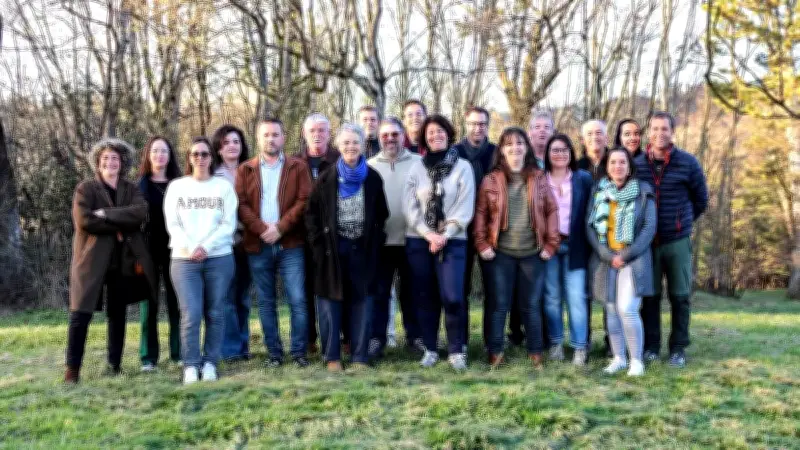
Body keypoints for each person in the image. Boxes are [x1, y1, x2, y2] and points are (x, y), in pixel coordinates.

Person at [65, 138, 157, 383]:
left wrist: (106, 214)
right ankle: (72, 370)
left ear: (122, 162)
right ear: (98, 162)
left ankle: (114, 364)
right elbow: (84, 221)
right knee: (80, 313)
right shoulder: (86, 189)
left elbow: (139, 214)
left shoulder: (130, 189)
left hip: (123, 261)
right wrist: (118, 226)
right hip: (91, 261)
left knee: (118, 314)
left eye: (115, 158)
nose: (110, 162)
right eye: (105, 158)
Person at [305, 123, 389, 371]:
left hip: (363, 251)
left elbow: (382, 214)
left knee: (362, 303)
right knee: (331, 304)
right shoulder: (326, 178)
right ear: (338, 146)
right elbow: (311, 216)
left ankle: (360, 357)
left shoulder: (372, 178)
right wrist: (319, 247)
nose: (351, 147)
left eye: (355, 142)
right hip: (332, 250)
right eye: (346, 143)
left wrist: (375, 242)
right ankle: (332, 357)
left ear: (363, 145)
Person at [473, 127, 559, 369]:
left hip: (533, 253)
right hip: (501, 253)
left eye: (519, 143)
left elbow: (551, 210)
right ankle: (496, 351)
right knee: (499, 305)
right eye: (509, 144)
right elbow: (480, 213)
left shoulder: (539, 177)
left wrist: (551, 245)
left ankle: (535, 352)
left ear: (526, 148)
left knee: (531, 306)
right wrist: (481, 243)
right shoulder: (491, 180)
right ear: (502, 149)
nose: (515, 148)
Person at [236, 118, 312, 367]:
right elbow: (241, 204)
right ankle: (274, 354)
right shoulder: (245, 169)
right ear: (258, 138)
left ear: (283, 137)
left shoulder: (297, 167)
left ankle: (299, 352)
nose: (271, 139)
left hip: (291, 243)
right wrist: (262, 229)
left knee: (297, 299)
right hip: (258, 244)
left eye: (275, 134)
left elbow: (304, 200)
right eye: (266, 135)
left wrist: (280, 227)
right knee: (266, 302)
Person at [635, 111, 708, 368]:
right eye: (654, 129)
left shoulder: (688, 163)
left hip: (677, 241)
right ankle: (651, 347)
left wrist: (682, 223)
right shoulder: (637, 164)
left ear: (672, 132)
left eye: (664, 129)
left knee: (680, 296)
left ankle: (678, 348)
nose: (659, 133)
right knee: (650, 297)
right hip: (647, 243)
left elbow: (701, 200)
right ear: (648, 132)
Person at [403, 114, 475, 370]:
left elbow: (465, 208)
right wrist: (428, 234)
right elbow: (409, 207)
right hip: (420, 241)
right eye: (430, 132)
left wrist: (444, 236)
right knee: (425, 297)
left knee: (453, 296)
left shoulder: (463, 166)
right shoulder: (416, 167)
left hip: (454, 241)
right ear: (424, 138)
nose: (436, 135)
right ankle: (431, 349)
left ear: (449, 133)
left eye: (440, 131)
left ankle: (456, 350)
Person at [164, 137, 238, 384]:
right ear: (189, 157)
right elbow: (173, 223)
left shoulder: (223, 188)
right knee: (191, 313)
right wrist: (191, 247)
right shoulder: (177, 187)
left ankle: (210, 363)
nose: (200, 158)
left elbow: (229, 225)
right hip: (184, 260)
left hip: (219, 258)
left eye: (204, 154)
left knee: (215, 312)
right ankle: (191, 365)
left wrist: (205, 246)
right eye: (195, 154)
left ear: (211, 157)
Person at [586, 147, 656, 376]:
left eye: (622, 162)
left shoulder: (643, 191)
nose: (617, 166)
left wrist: (624, 255)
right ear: (607, 166)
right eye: (613, 162)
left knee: (627, 308)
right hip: (606, 260)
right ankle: (619, 358)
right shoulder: (599, 191)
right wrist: (607, 255)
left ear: (629, 167)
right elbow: (590, 227)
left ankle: (637, 360)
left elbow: (648, 228)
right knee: (611, 310)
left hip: (633, 259)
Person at [367, 117, 423, 359]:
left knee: (412, 293)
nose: (390, 139)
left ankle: (416, 337)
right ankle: (376, 339)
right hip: (381, 243)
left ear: (404, 136)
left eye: (395, 134)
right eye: (385, 134)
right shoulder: (368, 166)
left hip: (412, 239)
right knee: (379, 293)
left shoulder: (419, 163)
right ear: (379, 138)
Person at [542, 134, 594, 366]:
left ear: (571, 153)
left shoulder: (583, 179)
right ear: (547, 154)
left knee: (576, 298)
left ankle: (579, 347)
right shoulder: (540, 179)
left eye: (564, 150)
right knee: (552, 299)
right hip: (548, 248)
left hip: (576, 247)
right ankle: (555, 343)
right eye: (555, 150)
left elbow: (592, 213)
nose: (560, 154)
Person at [137, 136, 182, 372]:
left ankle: (179, 352)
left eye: (164, 151)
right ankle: (148, 357)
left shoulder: (182, 184)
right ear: (148, 155)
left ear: (170, 155)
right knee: (149, 304)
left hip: (177, 250)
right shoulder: (139, 187)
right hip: (148, 251)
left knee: (177, 303)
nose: (159, 155)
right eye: (155, 151)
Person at [453, 106, 496, 351]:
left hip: (491, 231)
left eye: (482, 123)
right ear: (465, 125)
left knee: (492, 290)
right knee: (461, 289)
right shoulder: (454, 153)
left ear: (487, 126)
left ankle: (492, 341)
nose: (477, 128)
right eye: (473, 123)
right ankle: (462, 341)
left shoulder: (496, 153)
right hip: (460, 230)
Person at [298, 113, 340, 353]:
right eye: (312, 130)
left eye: (322, 130)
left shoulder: (339, 159)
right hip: (302, 237)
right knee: (304, 290)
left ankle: (340, 337)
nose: (317, 134)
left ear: (329, 133)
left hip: (333, 237)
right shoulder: (295, 163)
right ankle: (309, 338)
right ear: (304, 134)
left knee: (333, 287)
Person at [211, 124, 253, 362]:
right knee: (226, 298)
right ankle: (230, 349)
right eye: (226, 142)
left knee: (243, 298)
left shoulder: (251, 171)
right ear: (218, 148)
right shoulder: (213, 176)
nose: (232, 146)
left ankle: (243, 344)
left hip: (248, 243)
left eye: (236, 141)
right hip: (224, 244)